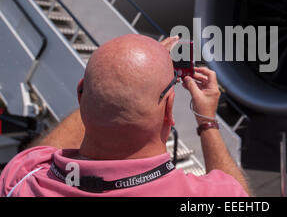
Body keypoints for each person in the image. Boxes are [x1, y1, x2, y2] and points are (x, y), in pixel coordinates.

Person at [0, 34, 250, 197]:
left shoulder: (20, 180)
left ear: (81, 95)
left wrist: (106, 88)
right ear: (169, 111)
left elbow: (36, 154)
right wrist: (207, 121)